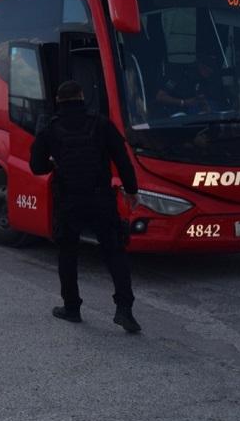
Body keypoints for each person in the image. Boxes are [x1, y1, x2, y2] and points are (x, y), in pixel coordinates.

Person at [29, 80, 142, 333]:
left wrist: (53, 164)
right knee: (115, 252)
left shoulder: (50, 128)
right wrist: (131, 190)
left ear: (59, 100)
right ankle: (125, 309)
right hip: (101, 198)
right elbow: (122, 159)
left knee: (68, 253)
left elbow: (36, 166)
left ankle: (71, 308)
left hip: (69, 200)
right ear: (82, 96)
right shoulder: (101, 123)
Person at [156, 51, 228, 114]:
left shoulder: (202, 79)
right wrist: (183, 102)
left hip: (192, 115)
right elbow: (160, 97)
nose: (208, 74)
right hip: (173, 115)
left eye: (210, 73)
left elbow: (200, 98)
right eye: (207, 71)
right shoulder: (177, 75)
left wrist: (206, 108)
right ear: (201, 66)